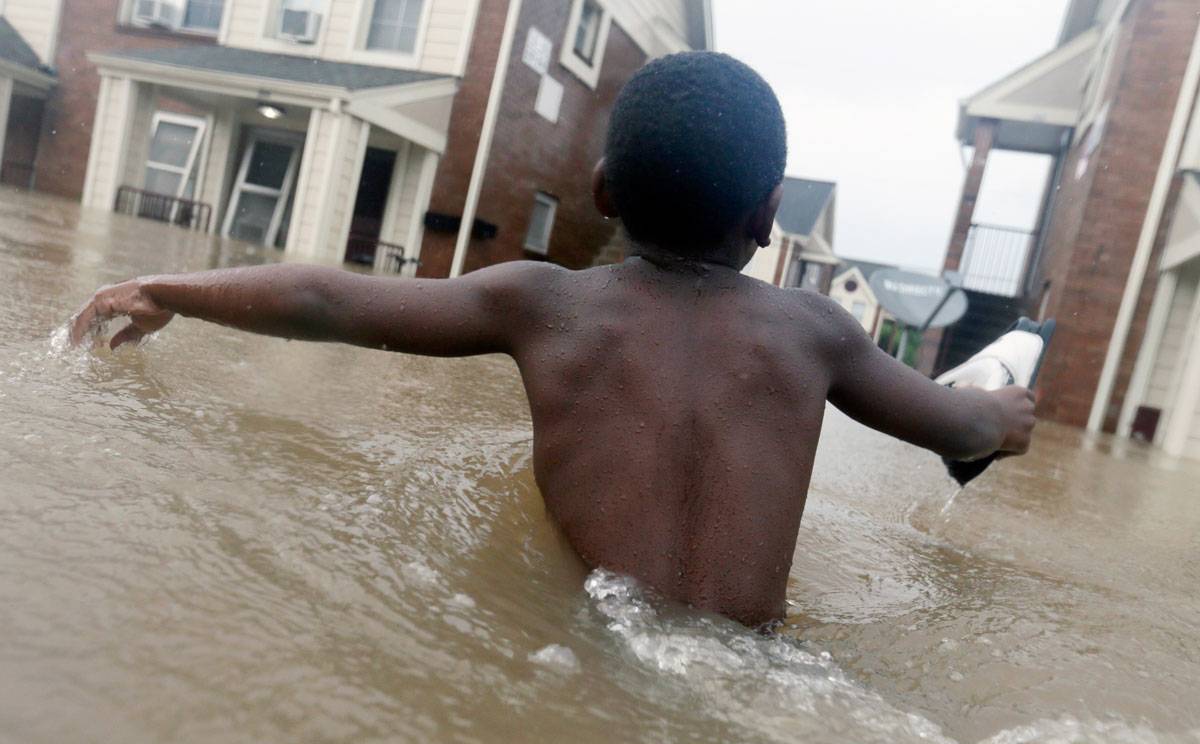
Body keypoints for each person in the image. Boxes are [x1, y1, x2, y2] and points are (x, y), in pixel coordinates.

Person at [69, 52, 1035, 628]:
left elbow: (329, 300)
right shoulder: (817, 331)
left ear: (605, 191)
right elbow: (960, 429)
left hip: (593, 639)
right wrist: (1008, 406)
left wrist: (165, 286)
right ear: (770, 214)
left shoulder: (545, 303)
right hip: (763, 672)